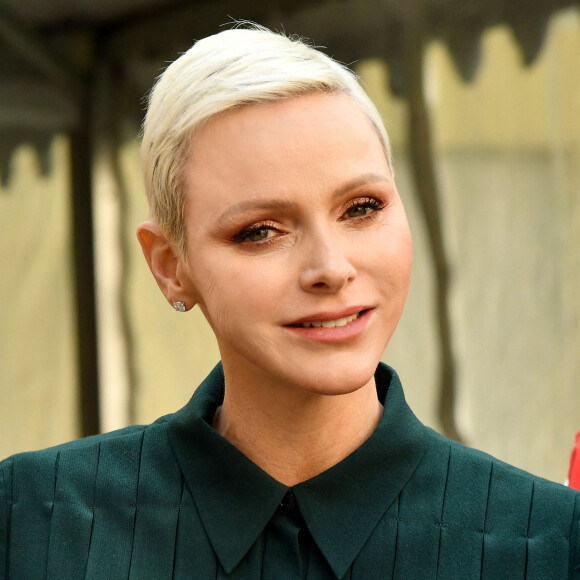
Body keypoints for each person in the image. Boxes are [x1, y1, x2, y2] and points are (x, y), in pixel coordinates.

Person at [1, 24, 579, 579]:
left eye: (362, 208)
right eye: (260, 231)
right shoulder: (28, 521)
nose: (331, 268)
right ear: (170, 267)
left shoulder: (553, 542)